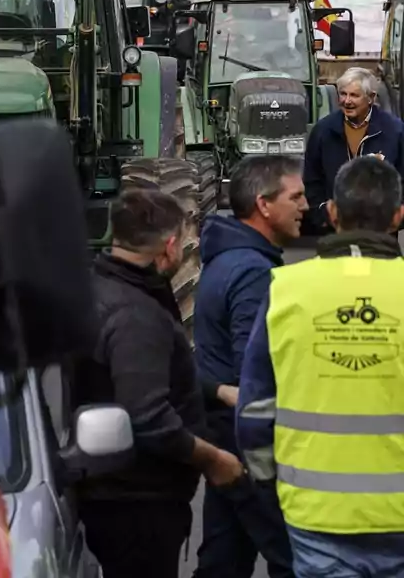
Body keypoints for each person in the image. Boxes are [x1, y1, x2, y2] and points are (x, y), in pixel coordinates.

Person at [238, 156, 404, 577]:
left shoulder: (286, 290)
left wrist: (270, 490)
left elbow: (255, 413)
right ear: (399, 216)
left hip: (315, 515)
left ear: (331, 214)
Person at [74, 189, 245, 578]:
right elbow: (147, 415)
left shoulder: (101, 288)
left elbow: (150, 372)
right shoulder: (136, 315)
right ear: (169, 246)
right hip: (138, 503)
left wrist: (216, 390)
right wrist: (213, 459)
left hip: (114, 493)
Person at [192, 156, 304, 578]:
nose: (305, 206)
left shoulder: (227, 258)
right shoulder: (253, 272)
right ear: (263, 204)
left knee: (225, 556)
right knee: (293, 560)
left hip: (225, 434)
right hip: (246, 442)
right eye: (295, 196)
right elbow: (252, 373)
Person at [303, 67, 404, 233]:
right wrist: (323, 215)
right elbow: (312, 180)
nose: (347, 101)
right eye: (343, 94)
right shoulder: (323, 131)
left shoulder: (395, 131)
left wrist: (392, 219)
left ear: (371, 97)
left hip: (381, 232)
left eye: (354, 95)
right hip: (334, 230)